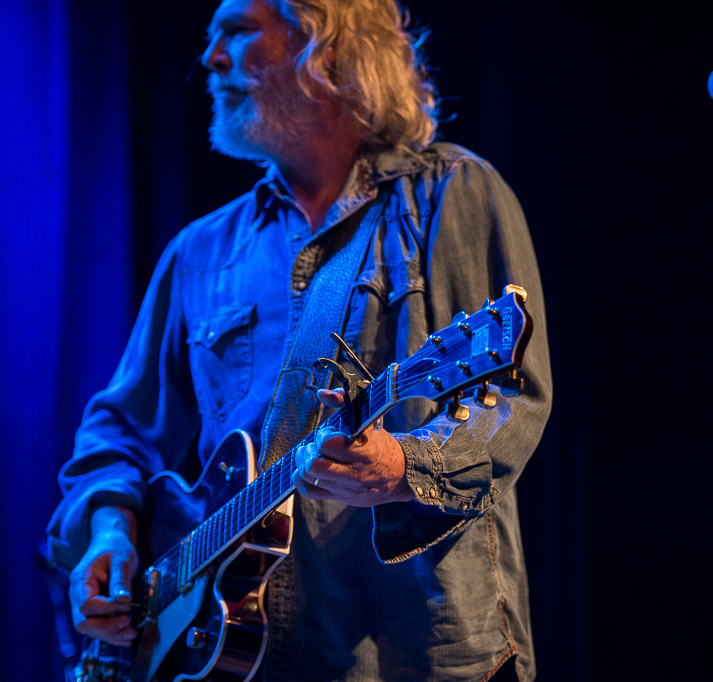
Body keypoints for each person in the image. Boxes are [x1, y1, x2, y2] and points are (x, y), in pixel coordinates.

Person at [45, 1, 551, 680]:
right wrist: (110, 526)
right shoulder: (200, 253)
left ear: (324, 45)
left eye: (238, 29)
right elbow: (119, 430)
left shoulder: (451, 192)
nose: (211, 57)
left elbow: (512, 399)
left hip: (415, 648)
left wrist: (406, 466)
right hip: (243, 659)